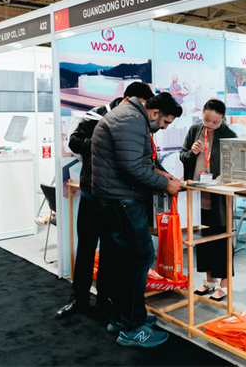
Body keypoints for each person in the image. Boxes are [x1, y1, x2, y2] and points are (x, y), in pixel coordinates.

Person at [91, 92, 185, 348]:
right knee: (141, 257)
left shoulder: (130, 117)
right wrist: (165, 184)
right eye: (165, 122)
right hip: (122, 199)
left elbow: (140, 160)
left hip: (116, 197)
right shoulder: (131, 120)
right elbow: (132, 166)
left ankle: (123, 318)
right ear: (155, 113)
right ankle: (132, 326)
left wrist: (164, 175)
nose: (164, 128)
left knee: (126, 260)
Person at [55, 82, 155, 320]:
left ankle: (104, 300)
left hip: (115, 198)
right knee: (86, 248)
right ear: (127, 99)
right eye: (140, 104)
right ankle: (78, 299)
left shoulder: (136, 122)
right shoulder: (97, 114)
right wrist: (103, 143)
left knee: (111, 251)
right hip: (91, 192)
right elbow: (74, 141)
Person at [179, 98, 237, 301]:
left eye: (215, 122)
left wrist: (225, 176)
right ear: (202, 114)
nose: (210, 125)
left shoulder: (229, 135)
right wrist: (191, 152)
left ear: (223, 119)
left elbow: (235, 165)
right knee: (202, 241)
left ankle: (224, 285)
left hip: (219, 198)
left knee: (222, 240)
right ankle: (209, 281)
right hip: (197, 194)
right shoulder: (194, 130)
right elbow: (182, 155)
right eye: (207, 120)